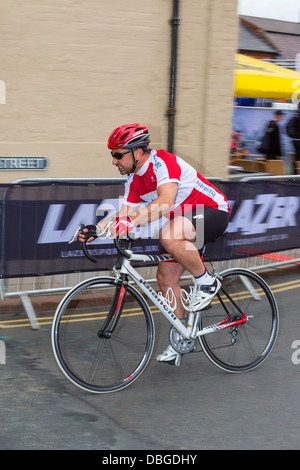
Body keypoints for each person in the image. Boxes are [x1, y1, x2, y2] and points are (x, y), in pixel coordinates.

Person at [78, 123, 230, 364]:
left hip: (211, 211)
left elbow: (165, 201)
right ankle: (182, 337)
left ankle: (207, 282)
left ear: (138, 152)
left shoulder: (162, 163)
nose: (114, 161)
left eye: (118, 154)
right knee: (165, 278)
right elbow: (124, 214)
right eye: (112, 155)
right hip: (184, 223)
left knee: (168, 234)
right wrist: (96, 229)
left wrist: (132, 221)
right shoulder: (134, 180)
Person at [286, 104, 300, 174]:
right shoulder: (298, 113)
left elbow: (287, 126)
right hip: (298, 139)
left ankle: (295, 173)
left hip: (295, 139)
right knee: (298, 158)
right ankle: (296, 174)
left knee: (297, 157)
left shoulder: (295, 113)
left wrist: (293, 135)